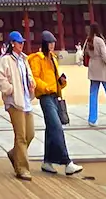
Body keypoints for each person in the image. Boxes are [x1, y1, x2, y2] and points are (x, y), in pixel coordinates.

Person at [27, 31, 82, 175]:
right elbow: (35, 78)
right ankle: (67, 162)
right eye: (50, 43)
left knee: (51, 128)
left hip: (54, 96)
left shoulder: (53, 58)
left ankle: (47, 161)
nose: (52, 46)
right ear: (45, 44)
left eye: (53, 43)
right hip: (45, 96)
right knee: (56, 127)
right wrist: (47, 87)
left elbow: (55, 78)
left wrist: (61, 83)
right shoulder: (37, 59)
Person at [0, 32, 36, 180]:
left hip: (26, 100)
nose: (21, 44)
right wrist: (10, 89)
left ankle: (14, 153)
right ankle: (22, 168)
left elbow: (29, 75)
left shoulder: (23, 59)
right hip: (14, 101)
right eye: (19, 42)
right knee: (21, 136)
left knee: (30, 134)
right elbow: (0, 77)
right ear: (12, 43)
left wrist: (32, 83)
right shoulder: (6, 60)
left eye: (22, 42)